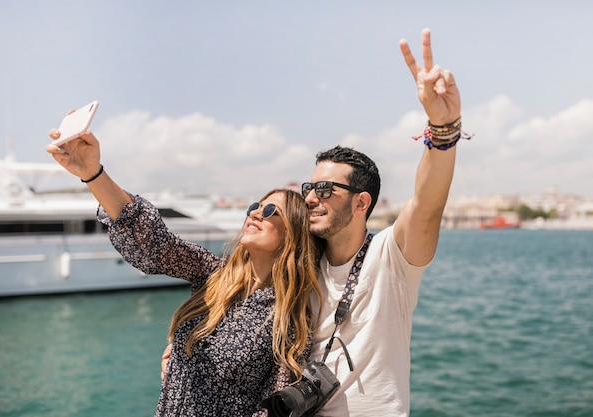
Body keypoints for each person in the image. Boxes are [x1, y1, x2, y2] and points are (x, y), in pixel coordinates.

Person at [158, 28, 464, 416]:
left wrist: (443, 130)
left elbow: (427, 203)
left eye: (324, 188)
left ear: (361, 203)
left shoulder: (390, 259)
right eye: (309, 186)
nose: (311, 196)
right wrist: (183, 356)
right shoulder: (298, 265)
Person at [45, 131, 322, 416]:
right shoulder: (212, 274)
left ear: (292, 234)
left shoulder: (288, 316)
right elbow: (154, 241)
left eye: (270, 210)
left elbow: (273, 408)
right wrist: (93, 173)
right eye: (255, 206)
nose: (254, 213)